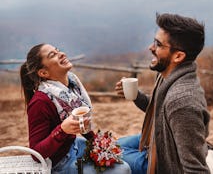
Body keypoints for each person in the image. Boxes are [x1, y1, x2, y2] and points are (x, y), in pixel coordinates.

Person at [115, 13, 210, 174]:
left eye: (158, 44)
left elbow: (196, 169)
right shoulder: (167, 74)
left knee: (107, 154)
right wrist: (136, 96)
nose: (151, 48)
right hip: (156, 142)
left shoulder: (183, 102)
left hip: (162, 164)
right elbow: (159, 109)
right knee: (113, 145)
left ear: (178, 56)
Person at [20, 43, 131, 174]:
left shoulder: (71, 86)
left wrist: (96, 142)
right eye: (53, 55)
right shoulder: (40, 102)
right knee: (123, 169)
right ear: (43, 72)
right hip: (59, 163)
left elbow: (81, 122)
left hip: (74, 146)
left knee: (118, 155)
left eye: (58, 50)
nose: (61, 54)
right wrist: (62, 130)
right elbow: (36, 153)